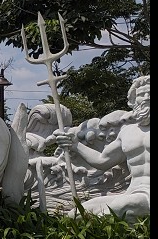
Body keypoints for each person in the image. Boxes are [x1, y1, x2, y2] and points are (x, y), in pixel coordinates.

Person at [54, 74, 150, 219]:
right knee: (76, 215)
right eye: (142, 94)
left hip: (143, 198)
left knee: (120, 207)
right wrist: (74, 144)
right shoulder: (127, 132)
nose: (147, 97)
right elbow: (102, 161)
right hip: (133, 192)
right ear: (134, 100)